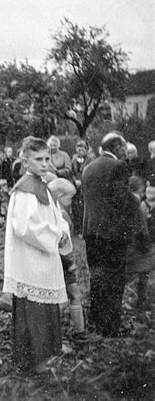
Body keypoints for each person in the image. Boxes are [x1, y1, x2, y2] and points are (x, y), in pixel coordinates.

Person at [3, 136, 71, 373]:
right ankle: (35, 362)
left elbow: (55, 215)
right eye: (38, 159)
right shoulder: (26, 189)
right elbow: (25, 226)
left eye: (47, 158)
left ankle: (46, 356)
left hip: (43, 257)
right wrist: (55, 235)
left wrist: (62, 230)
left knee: (45, 308)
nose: (44, 163)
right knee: (34, 312)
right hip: (32, 261)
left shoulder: (41, 184)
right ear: (25, 160)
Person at [82, 132, 140, 337]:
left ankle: (96, 321)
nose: (126, 153)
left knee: (97, 277)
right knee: (114, 281)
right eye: (124, 149)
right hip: (112, 234)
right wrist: (135, 204)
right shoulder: (119, 167)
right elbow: (121, 199)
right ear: (117, 148)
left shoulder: (88, 167)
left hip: (90, 232)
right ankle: (111, 329)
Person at [47, 178, 86, 339]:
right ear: (60, 195)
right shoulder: (58, 214)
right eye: (69, 198)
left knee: (70, 294)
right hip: (60, 262)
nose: (71, 202)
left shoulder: (55, 212)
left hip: (59, 261)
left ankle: (78, 331)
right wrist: (70, 264)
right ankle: (68, 334)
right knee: (68, 294)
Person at [125, 177, 153, 311]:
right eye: (142, 191)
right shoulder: (136, 204)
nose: (143, 195)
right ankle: (142, 299)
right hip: (135, 250)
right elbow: (142, 231)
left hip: (125, 247)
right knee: (147, 264)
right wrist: (147, 246)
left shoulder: (123, 202)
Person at [71, 140, 93, 234]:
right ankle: (77, 228)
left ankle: (84, 229)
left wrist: (82, 181)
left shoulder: (91, 159)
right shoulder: (74, 158)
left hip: (86, 185)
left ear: (86, 149)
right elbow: (71, 172)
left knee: (84, 207)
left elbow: (91, 173)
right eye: (78, 148)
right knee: (75, 206)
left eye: (82, 148)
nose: (80, 150)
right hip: (76, 185)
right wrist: (75, 180)